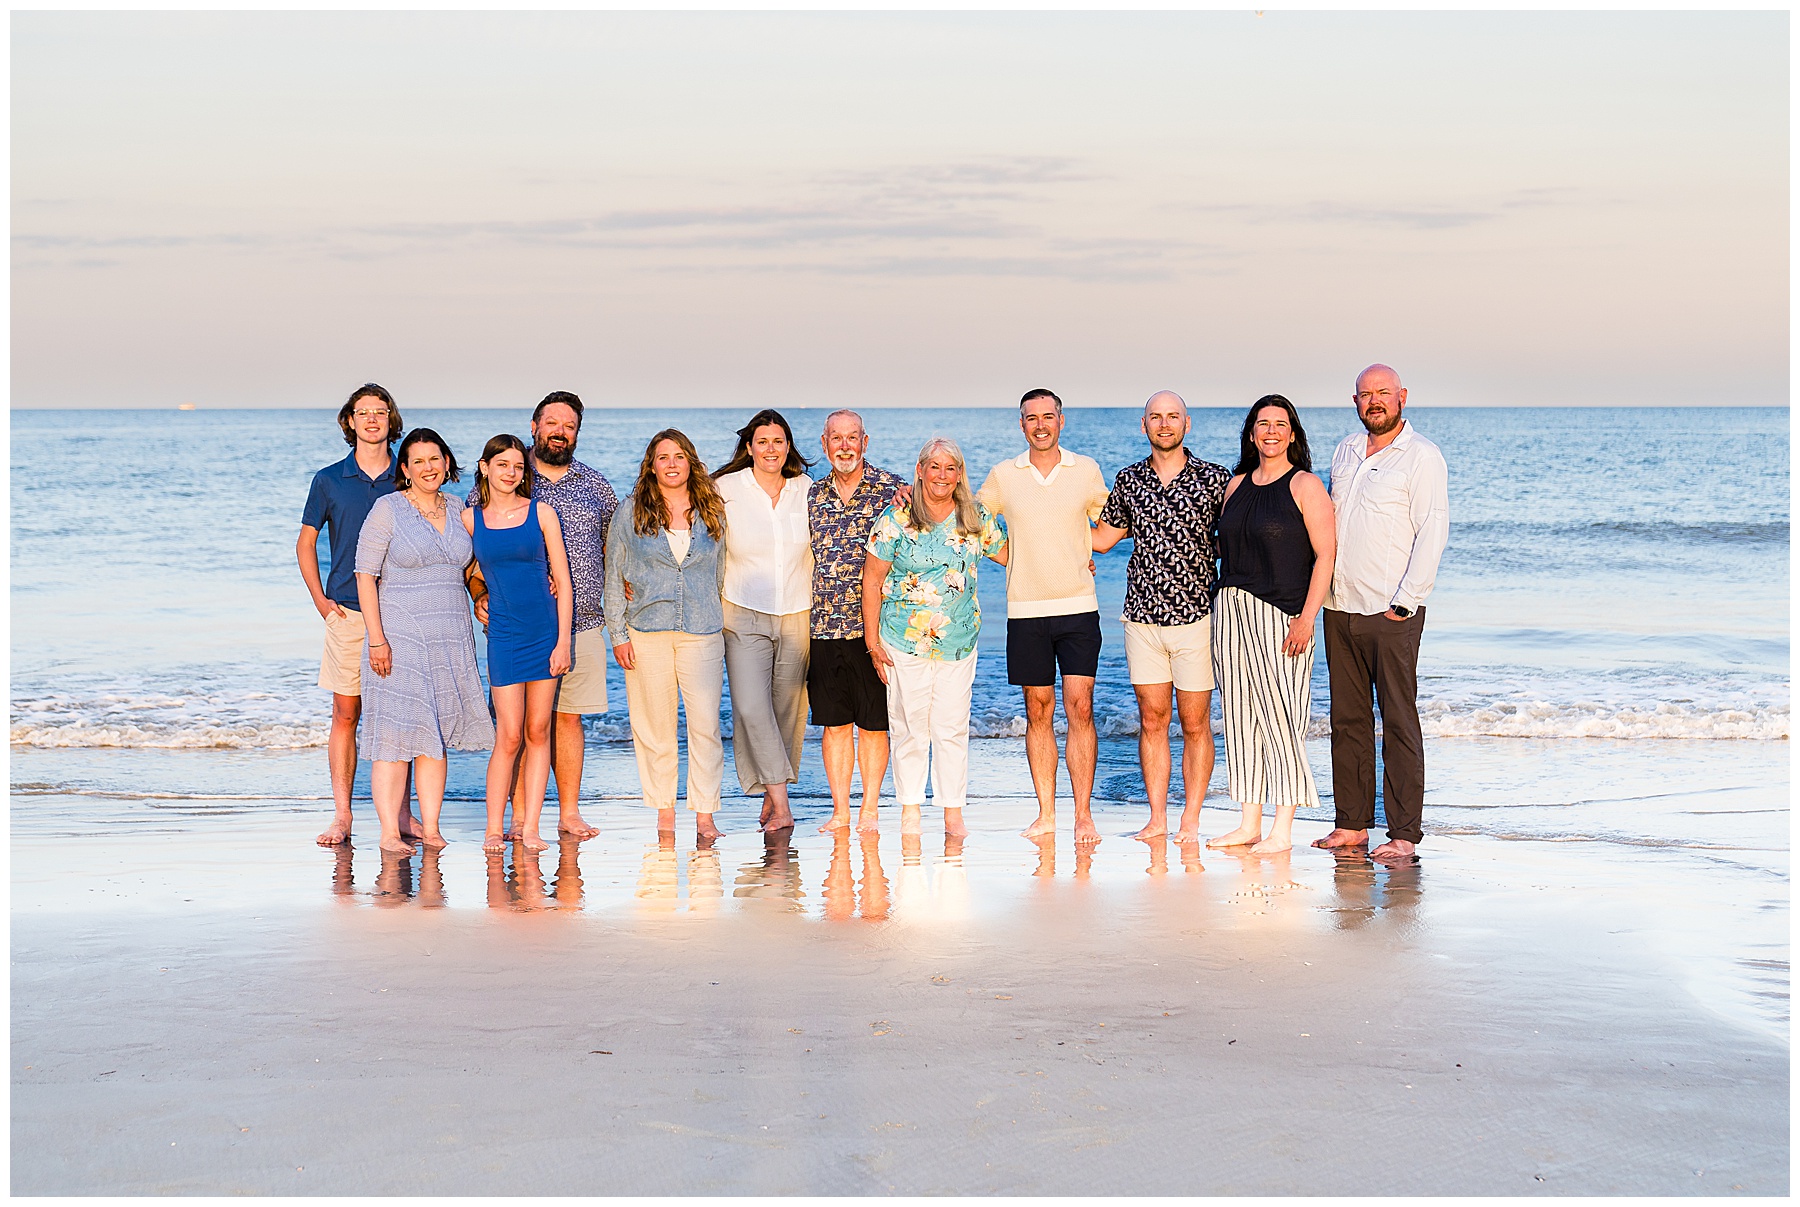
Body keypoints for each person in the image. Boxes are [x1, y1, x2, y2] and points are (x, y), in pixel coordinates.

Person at [1313, 364, 1450, 864]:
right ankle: (1352, 825)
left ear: (1402, 398)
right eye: (1366, 394)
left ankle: (1404, 834)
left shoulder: (1422, 457)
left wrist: (1406, 601)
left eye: (1383, 393)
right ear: (1355, 401)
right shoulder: (1346, 450)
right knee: (1347, 721)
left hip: (1390, 611)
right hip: (1339, 605)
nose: (1375, 401)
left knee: (1397, 720)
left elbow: (1432, 531)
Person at [470, 391, 617, 842]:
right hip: (518, 624)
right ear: (534, 426)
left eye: (569, 425)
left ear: (576, 433)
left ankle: (567, 813)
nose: (559, 431)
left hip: (584, 621)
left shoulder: (596, 485)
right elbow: (474, 557)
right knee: (513, 728)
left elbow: (618, 546)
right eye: (551, 422)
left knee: (567, 718)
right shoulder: (508, 475)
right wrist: (478, 593)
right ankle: (516, 819)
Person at [1091, 390, 1231, 843]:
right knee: (1152, 720)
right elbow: (1101, 540)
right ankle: (1157, 818)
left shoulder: (1214, 479)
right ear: (1144, 425)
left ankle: (1190, 817)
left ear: (1187, 424)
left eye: (1173, 417)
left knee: (1195, 723)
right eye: (1156, 417)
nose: (1164, 424)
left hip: (1197, 619)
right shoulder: (1129, 480)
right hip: (1142, 620)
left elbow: (1240, 536)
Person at [977, 389, 1110, 844]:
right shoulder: (1003, 475)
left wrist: (1084, 549)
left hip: (1078, 609)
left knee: (1081, 708)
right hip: (1026, 612)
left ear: (1061, 420)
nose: (1040, 424)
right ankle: (1047, 814)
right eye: (1031, 418)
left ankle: (1084, 816)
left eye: (1047, 416)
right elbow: (973, 520)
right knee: (1038, 711)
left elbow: (1111, 526)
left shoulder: (1086, 470)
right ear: (1021, 425)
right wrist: (1010, 557)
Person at [355, 429, 495, 853]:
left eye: (435, 459)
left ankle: (431, 828)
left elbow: (475, 566)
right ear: (405, 470)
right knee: (395, 737)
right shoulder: (388, 509)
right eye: (418, 461)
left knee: (434, 736)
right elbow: (364, 575)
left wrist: (483, 595)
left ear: (447, 463)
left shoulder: (460, 509)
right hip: (398, 637)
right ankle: (388, 833)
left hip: (451, 636)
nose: (428, 468)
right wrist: (376, 639)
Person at [1207, 395, 1336, 855]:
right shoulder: (1235, 484)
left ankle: (1282, 829)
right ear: (1251, 433)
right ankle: (1248, 823)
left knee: (1282, 719)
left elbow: (1326, 556)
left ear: (1293, 434)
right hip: (1230, 611)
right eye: (1263, 424)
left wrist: (1307, 617)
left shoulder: (1305, 485)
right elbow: (1223, 549)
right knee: (1241, 721)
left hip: (1282, 615)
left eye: (1281, 424)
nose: (1271, 431)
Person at [863, 437, 1007, 838]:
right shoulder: (897, 518)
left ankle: (952, 812)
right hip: (901, 640)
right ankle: (910, 809)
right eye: (935, 467)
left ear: (959, 474)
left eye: (951, 468)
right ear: (921, 469)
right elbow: (872, 581)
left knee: (951, 727)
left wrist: (1072, 560)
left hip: (958, 642)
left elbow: (1014, 558)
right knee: (909, 726)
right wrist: (872, 643)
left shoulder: (975, 517)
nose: (942, 475)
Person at [297, 383, 419, 846]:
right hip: (348, 613)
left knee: (404, 716)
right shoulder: (328, 480)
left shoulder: (408, 476)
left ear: (391, 419)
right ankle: (343, 815)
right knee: (346, 714)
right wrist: (320, 600)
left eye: (380, 411)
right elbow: (306, 543)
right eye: (363, 412)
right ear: (349, 421)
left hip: (404, 613)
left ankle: (404, 816)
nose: (372, 419)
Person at [605, 429, 730, 841]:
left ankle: (705, 814)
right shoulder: (630, 512)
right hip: (646, 631)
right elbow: (613, 576)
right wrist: (618, 634)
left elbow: (721, 570)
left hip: (703, 631)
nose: (672, 463)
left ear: (690, 462)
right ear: (652, 465)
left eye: (679, 456)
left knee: (705, 727)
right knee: (654, 726)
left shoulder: (712, 511)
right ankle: (664, 813)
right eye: (663, 457)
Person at [463, 433, 575, 854]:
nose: (510, 473)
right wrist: (479, 595)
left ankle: (529, 827)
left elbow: (562, 582)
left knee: (538, 729)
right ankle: (494, 828)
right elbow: (465, 570)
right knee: (508, 735)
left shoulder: (541, 513)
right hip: (504, 636)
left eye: (517, 466)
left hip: (544, 632)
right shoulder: (470, 519)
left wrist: (563, 641)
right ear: (485, 467)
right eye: (502, 465)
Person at [712, 409, 813, 833]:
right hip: (741, 610)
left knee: (788, 710)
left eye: (778, 441)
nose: (770, 449)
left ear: (788, 446)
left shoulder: (807, 489)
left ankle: (771, 796)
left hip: (797, 611)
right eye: (762, 442)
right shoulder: (725, 489)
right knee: (751, 707)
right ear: (749, 447)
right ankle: (782, 802)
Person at [806, 409, 906, 834]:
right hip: (824, 626)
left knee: (873, 723)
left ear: (866, 441)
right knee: (833, 724)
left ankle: (869, 809)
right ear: (825, 443)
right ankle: (841, 810)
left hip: (876, 628)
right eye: (836, 438)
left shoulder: (893, 490)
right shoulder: (812, 494)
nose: (844, 446)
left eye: (852, 437)